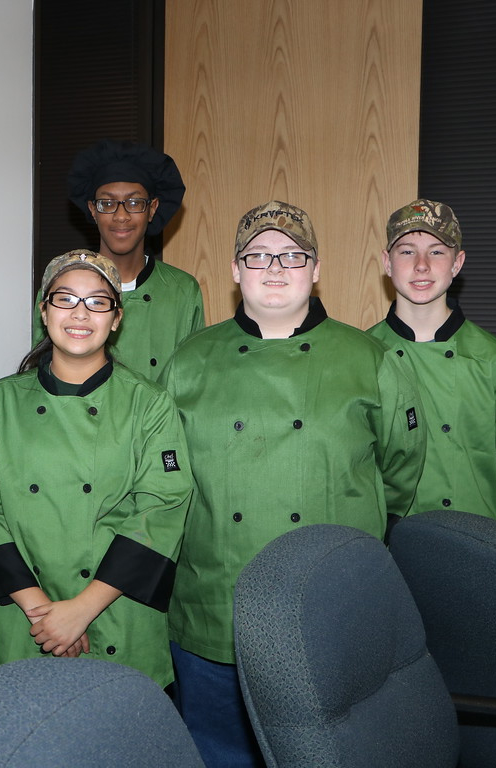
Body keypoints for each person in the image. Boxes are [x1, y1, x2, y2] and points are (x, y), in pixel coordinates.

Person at [159, 201, 425, 766]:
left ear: (316, 268)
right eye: (258, 255)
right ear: (235, 270)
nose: (274, 267)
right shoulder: (189, 361)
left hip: (328, 604)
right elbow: (165, 481)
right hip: (214, 609)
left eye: (292, 255)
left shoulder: (369, 359)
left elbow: (401, 473)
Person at [0, 250, 193, 688]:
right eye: (65, 298)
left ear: (117, 317)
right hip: (26, 624)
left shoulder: (150, 404)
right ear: (44, 310)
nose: (80, 313)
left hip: (119, 619)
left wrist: (81, 609)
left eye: (97, 301)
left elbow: (161, 508)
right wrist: (47, 615)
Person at [368, 199, 496, 520]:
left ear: (457, 264)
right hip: (385, 545)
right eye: (407, 251)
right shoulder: (361, 355)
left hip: (474, 536)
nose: (422, 265)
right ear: (387, 263)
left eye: (437, 251)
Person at [32, 140, 204, 379]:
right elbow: (43, 374)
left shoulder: (182, 290)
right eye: (107, 203)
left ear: (152, 209)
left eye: (134, 203)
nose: (121, 216)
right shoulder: (59, 289)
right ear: (92, 209)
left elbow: (193, 380)